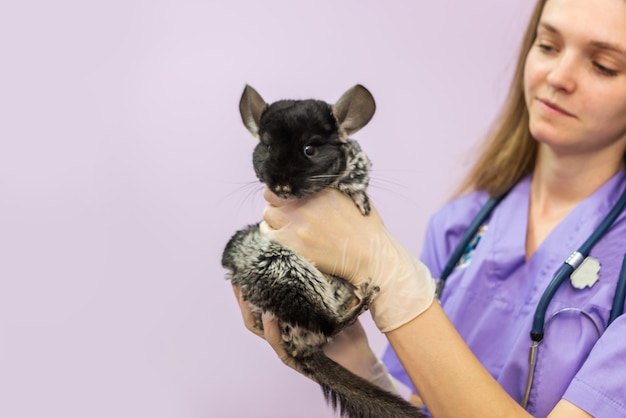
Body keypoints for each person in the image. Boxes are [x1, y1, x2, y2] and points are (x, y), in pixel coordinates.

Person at [232, 0, 626, 416]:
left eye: (603, 65)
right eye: (547, 46)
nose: (558, 76)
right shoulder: (459, 228)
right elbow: (415, 406)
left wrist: (390, 275)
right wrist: (356, 367)